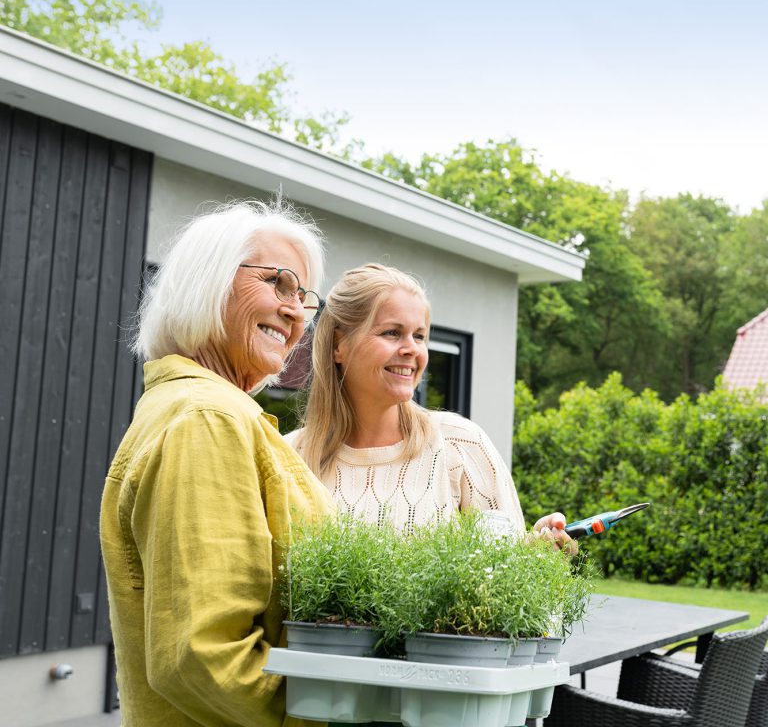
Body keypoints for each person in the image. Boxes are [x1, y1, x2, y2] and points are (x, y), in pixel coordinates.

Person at [100, 200, 334, 727]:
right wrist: (326, 719)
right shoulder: (207, 418)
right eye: (277, 282)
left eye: (303, 297)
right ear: (207, 283)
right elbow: (205, 654)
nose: (296, 312)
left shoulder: (202, 410)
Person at [287, 263, 573, 547]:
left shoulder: (460, 446)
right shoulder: (287, 459)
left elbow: (507, 566)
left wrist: (537, 552)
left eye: (419, 336)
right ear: (338, 345)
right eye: (392, 332)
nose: (412, 349)